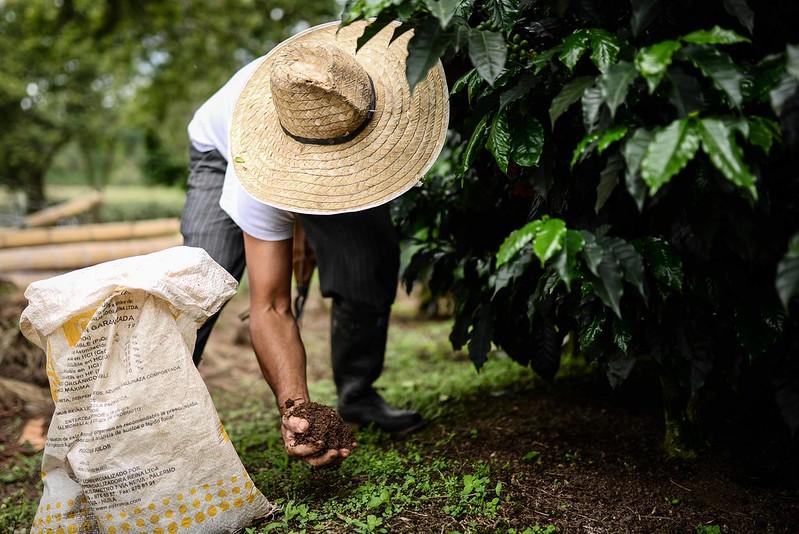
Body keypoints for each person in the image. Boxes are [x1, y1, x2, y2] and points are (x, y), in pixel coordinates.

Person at [180, 19, 450, 467]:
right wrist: (298, 410)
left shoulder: (363, 87)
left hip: (346, 130)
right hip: (219, 153)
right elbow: (271, 306)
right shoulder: (254, 172)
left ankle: (358, 396)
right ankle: (157, 416)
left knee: (367, 259)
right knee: (201, 284)